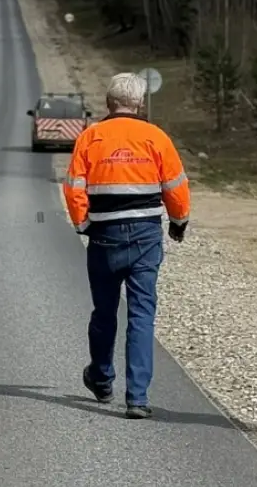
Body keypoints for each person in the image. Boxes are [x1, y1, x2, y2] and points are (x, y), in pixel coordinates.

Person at [62, 72, 191, 418]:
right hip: (146, 236)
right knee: (142, 314)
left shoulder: (91, 137)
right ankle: (137, 397)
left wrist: (83, 223)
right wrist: (179, 222)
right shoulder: (155, 137)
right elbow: (176, 187)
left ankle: (102, 378)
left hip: (104, 236)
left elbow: (74, 186)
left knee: (104, 312)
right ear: (139, 103)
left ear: (108, 103)